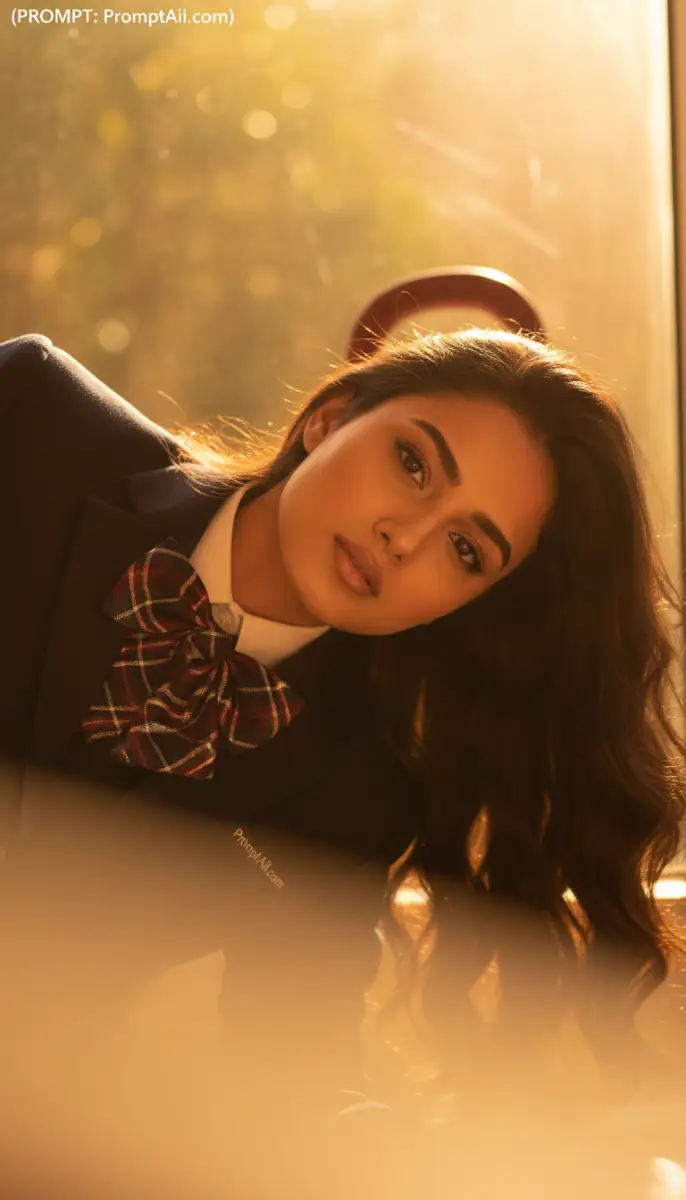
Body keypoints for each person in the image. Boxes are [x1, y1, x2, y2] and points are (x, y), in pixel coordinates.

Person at [0, 326, 684, 1144]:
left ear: (465, 605)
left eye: (466, 550)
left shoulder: (355, 795)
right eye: (413, 463)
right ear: (328, 418)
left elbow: (293, 1068)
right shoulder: (30, 418)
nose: (407, 536)